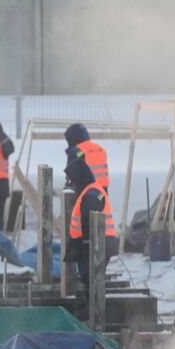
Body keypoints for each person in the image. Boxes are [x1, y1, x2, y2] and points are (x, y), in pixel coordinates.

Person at [63, 157, 117, 294]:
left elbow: (90, 225)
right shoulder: (91, 191)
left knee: (91, 280)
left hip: (95, 246)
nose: (70, 184)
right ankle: (90, 306)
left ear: (78, 178)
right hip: (97, 244)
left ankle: (92, 310)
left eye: (70, 180)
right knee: (91, 281)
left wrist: (88, 248)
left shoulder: (91, 196)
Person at [64, 122, 110, 190]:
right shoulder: (100, 149)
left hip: (85, 193)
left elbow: (71, 178)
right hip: (102, 193)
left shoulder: (75, 152)